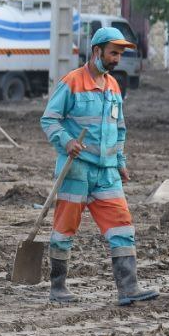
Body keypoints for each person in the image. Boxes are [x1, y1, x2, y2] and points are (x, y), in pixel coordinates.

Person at [40, 27, 157, 305]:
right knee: (64, 231)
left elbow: (119, 129)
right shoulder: (71, 82)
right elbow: (49, 120)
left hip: (106, 174)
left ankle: (128, 289)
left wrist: (120, 162)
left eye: (119, 54)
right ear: (97, 51)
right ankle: (58, 288)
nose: (117, 59)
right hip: (76, 170)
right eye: (113, 53)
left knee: (122, 227)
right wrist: (67, 141)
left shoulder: (113, 86)